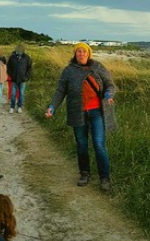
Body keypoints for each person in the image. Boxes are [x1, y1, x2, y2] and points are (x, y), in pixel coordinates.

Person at [47, 43, 117, 192]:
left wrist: (108, 94)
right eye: (78, 51)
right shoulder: (68, 71)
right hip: (77, 112)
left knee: (99, 144)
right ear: (75, 54)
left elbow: (110, 84)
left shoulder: (97, 67)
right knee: (81, 144)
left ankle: (104, 178)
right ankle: (84, 174)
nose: (81, 54)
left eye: (84, 51)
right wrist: (52, 107)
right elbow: (60, 91)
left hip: (97, 112)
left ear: (88, 53)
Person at [7, 44, 33, 114]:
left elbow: (29, 68)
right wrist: (11, 75)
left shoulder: (27, 58)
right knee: (13, 94)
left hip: (23, 79)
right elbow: (8, 67)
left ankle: (19, 107)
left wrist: (27, 76)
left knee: (21, 94)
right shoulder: (12, 57)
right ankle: (12, 107)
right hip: (14, 79)